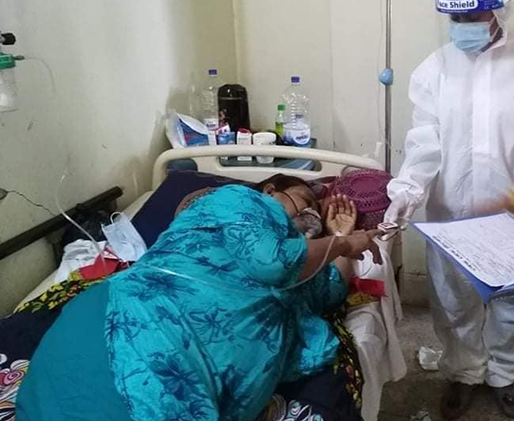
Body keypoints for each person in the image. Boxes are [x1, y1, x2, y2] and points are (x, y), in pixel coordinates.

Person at [17, 175, 382, 421]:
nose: (308, 216)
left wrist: (338, 235)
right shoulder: (239, 200)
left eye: (314, 214)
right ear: (271, 191)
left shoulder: (304, 263)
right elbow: (272, 262)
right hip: (136, 318)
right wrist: (343, 244)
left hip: (201, 381)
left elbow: (333, 287)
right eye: (303, 202)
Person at [385, 0, 514, 419]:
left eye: (474, 16)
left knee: (512, 302)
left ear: (500, 8)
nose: (463, 26)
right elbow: (424, 142)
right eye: (456, 18)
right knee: (453, 302)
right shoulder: (434, 70)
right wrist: (408, 189)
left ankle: (504, 374)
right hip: (451, 214)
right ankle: (463, 372)